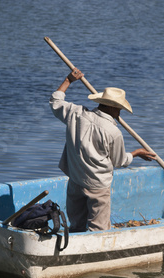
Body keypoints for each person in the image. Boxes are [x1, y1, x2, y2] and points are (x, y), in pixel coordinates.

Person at [50, 68, 156, 232]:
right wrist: (136, 153)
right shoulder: (113, 132)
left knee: (76, 226)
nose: (119, 113)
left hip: (76, 179)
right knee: (98, 230)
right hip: (97, 186)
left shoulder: (76, 114)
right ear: (114, 109)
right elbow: (120, 161)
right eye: (119, 109)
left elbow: (55, 102)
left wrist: (68, 80)